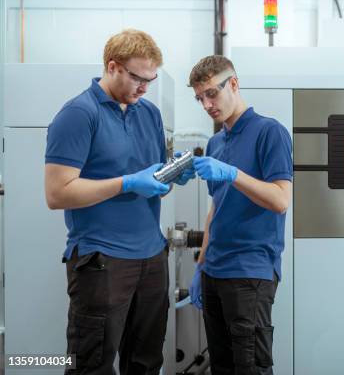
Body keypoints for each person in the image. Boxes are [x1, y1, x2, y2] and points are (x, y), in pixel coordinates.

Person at [44, 29, 194, 374]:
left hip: (151, 257)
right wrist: (126, 183)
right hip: (102, 259)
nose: (144, 88)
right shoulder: (78, 114)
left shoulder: (150, 114)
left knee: (146, 362)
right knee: (91, 365)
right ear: (112, 67)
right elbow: (57, 193)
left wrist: (171, 177)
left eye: (150, 80)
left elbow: (152, 183)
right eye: (138, 78)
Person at [188, 55, 292, 375]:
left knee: (250, 368)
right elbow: (216, 207)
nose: (207, 104)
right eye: (199, 98)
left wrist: (233, 173)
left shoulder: (269, 132)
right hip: (214, 271)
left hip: (250, 271)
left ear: (233, 84)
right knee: (222, 367)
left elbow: (280, 199)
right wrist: (201, 264)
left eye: (211, 94)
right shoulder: (216, 142)